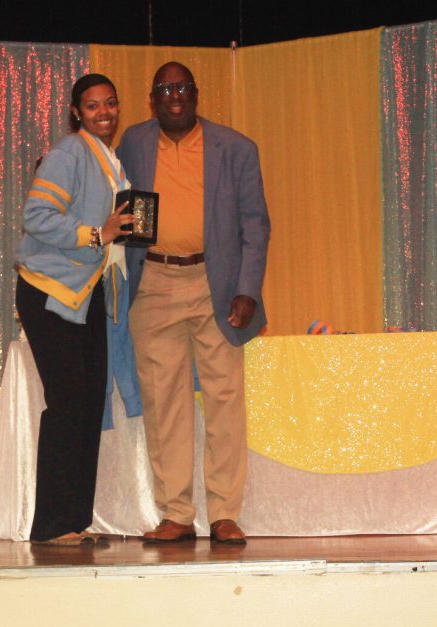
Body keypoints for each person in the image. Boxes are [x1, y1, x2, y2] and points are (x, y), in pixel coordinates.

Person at [117, 61, 270, 545]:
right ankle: (177, 513)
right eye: (164, 89)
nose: (174, 95)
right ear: (153, 99)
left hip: (216, 284)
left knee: (224, 400)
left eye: (182, 87)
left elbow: (255, 225)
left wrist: (247, 288)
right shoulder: (134, 144)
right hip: (154, 282)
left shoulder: (236, 148)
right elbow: (126, 209)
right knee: (164, 404)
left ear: (197, 94)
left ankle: (224, 512)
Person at [15, 73, 133, 546]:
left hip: (85, 294)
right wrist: (97, 234)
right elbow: (36, 217)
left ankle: (74, 519)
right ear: (76, 112)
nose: (103, 113)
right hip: (50, 292)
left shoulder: (110, 160)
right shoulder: (69, 152)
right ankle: (51, 524)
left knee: (87, 405)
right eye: (92, 106)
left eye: (110, 104)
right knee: (68, 405)